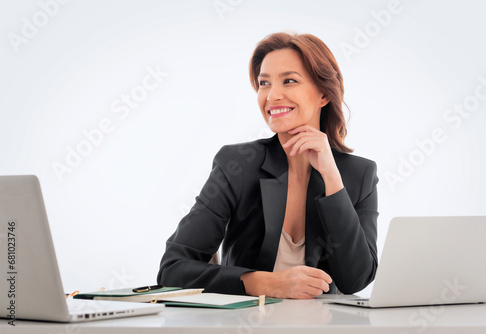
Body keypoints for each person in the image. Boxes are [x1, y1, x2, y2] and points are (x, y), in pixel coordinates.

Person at [157, 32, 378, 299]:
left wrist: (332, 179)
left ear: (323, 94)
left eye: (289, 81)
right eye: (264, 83)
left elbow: (356, 279)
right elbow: (173, 269)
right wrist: (266, 284)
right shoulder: (236, 165)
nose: (272, 95)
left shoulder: (359, 175)